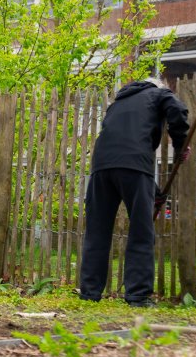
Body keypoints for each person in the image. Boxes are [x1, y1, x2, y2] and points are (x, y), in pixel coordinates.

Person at [79, 78, 190, 308]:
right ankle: (138, 296)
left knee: (97, 232)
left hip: (101, 167)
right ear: (158, 85)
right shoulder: (159, 94)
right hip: (135, 166)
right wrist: (180, 144)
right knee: (141, 231)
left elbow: (122, 145)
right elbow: (178, 110)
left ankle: (89, 293)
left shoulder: (116, 104)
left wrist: (154, 192)